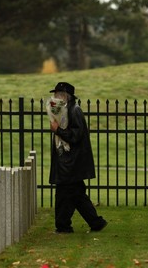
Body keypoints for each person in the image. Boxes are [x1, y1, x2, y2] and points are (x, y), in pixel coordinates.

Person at [48, 82, 107, 233]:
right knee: (75, 194)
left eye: (58, 94)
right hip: (68, 161)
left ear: (65, 96)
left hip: (72, 163)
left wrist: (58, 130)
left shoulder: (74, 110)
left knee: (66, 194)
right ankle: (94, 223)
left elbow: (76, 136)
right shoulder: (65, 111)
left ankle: (64, 226)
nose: (54, 97)